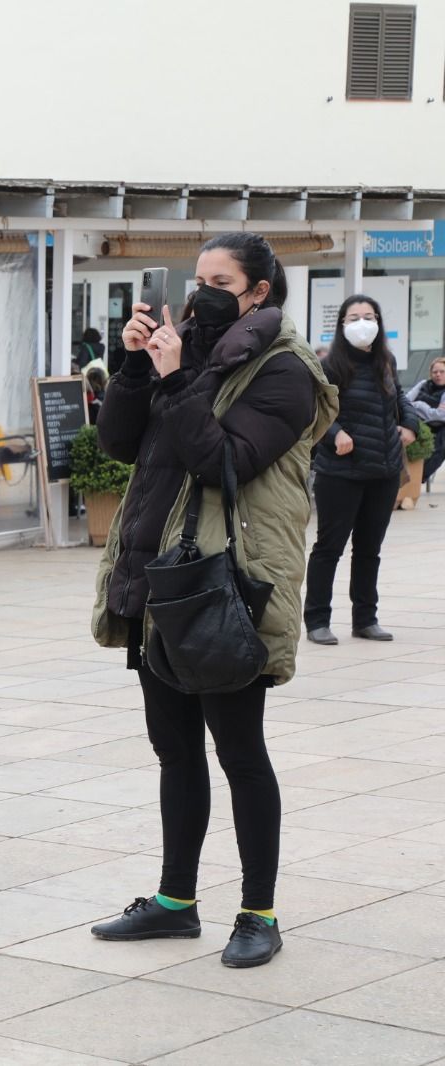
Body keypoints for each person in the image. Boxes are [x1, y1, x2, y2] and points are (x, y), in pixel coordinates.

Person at [91, 232, 336, 968]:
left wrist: (175, 377)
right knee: (174, 751)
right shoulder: (186, 346)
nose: (204, 292)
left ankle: (259, 912)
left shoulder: (287, 370)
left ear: (260, 290)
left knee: (240, 751)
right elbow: (119, 444)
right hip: (158, 576)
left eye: (221, 279)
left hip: (227, 583)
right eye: (198, 278)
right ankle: (175, 901)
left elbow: (223, 461)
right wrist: (137, 364)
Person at [303, 295, 418, 645]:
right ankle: (317, 620)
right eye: (354, 317)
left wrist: (410, 423)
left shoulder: (385, 360)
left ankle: (365, 618)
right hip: (340, 472)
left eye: (369, 316)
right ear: (341, 324)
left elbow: (399, 397)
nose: (362, 322)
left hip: (382, 470)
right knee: (329, 547)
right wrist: (335, 434)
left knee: (370, 549)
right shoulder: (330, 365)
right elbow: (313, 409)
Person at [405, 356, 445, 484]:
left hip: (440, 428)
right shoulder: (423, 384)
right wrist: (426, 408)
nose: (438, 375)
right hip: (418, 425)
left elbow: (440, 416)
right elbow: (405, 402)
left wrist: (418, 404)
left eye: (442, 372)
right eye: (435, 372)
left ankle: (419, 477)